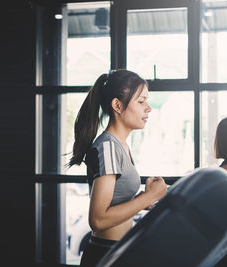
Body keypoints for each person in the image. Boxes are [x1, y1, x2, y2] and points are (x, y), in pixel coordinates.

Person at [68, 69, 167, 267]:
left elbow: (115, 205)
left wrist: (140, 200)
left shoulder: (119, 146)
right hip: (105, 254)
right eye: (141, 101)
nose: (148, 109)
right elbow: (97, 220)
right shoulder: (108, 146)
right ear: (117, 105)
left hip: (117, 250)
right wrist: (149, 197)